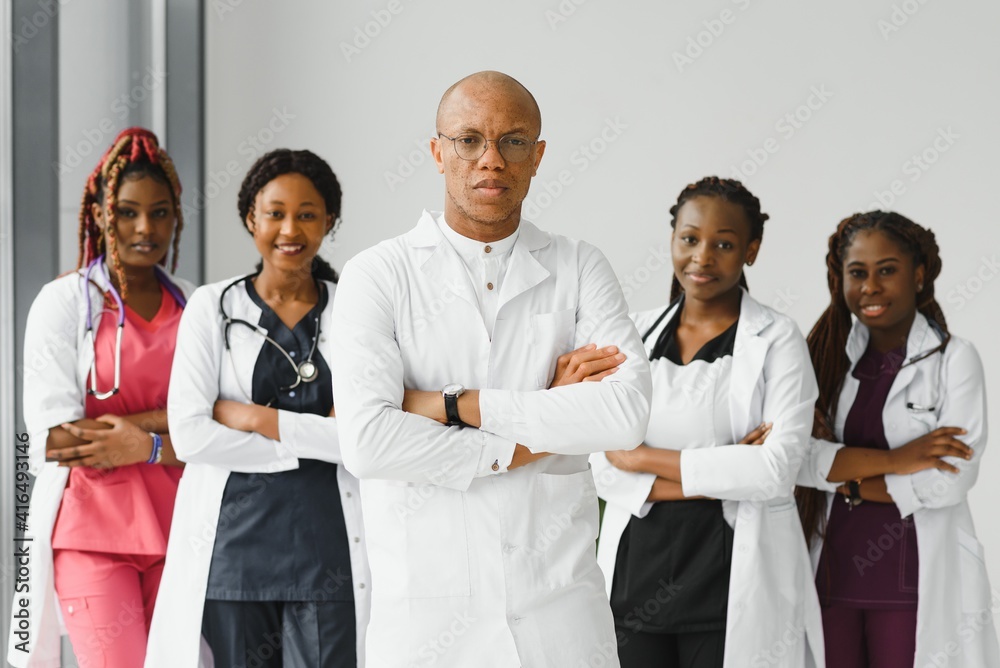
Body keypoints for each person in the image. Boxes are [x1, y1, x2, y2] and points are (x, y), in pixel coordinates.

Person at [329, 71, 652, 667]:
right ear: (436, 151)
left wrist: (451, 404)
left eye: (514, 141)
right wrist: (542, 423)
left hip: (559, 618)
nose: (491, 160)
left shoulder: (580, 266)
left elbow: (625, 414)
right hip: (429, 624)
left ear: (538, 156)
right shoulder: (378, 274)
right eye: (469, 139)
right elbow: (370, 443)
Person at [146, 149, 369, 667]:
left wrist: (255, 418)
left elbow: (362, 438)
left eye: (307, 214)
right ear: (252, 218)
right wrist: (311, 440)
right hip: (234, 553)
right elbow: (192, 434)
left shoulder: (355, 308)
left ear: (328, 222)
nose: (290, 228)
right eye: (275, 213)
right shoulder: (211, 306)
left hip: (327, 551)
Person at [592, 177, 825, 668]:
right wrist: (731, 467)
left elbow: (775, 472)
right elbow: (603, 466)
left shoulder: (777, 338)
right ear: (672, 238)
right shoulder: (630, 333)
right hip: (637, 573)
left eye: (724, 244)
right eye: (690, 239)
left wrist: (643, 459)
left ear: (751, 250)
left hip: (727, 578)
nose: (702, 257)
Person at [7, 127, 194, 668]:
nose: (144, 228)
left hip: (182, 528)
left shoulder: (194, 305)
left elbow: (214, 427)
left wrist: (136, 438)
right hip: (92, 532)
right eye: (128, 212)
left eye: (160, 213)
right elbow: (53, 439)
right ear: (99, 214)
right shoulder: (65, 303)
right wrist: (169, 426)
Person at [795, 211, 998, 667]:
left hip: (913, 577)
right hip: (832, 573)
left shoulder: (954, 359)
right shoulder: (826, 359)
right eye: (857, 273)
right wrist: (901, 458)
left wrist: (846, 479)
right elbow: (799, 459)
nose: (870, 287)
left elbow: (948, 481)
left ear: (919, 274)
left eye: (887, 270)